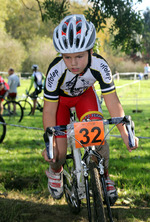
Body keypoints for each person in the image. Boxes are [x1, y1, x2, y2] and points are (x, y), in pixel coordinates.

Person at [42, 14, 138, 203]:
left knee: (97, 136)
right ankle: (56, 172)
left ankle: (105, 177)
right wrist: (50, 145)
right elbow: (49, 111)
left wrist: (125, 134)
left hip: (84, 97)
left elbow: (112, 101)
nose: (73, 63)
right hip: (60, 103)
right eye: (67, 57)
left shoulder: (100, 65)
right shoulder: (55, 71)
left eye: (79, 56)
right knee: (58, 155)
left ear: (91, 51)